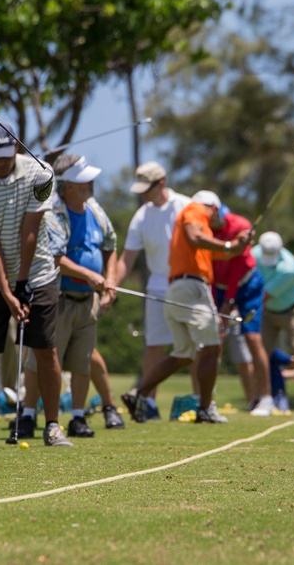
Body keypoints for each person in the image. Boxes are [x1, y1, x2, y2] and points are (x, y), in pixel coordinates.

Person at [0, 124, 70, 447]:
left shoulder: (40, 173)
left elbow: (31, 231)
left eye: (6, 157)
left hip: (37, 272)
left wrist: (22, 283)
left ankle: (52, 426)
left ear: (17, 149)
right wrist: (8, 292)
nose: (1, 164)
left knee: (46, 349)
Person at [121, 190, 250, 424]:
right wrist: (231, 245)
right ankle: (205, 408)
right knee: (212, 347)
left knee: (183, 355)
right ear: (212, 206)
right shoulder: (195, 209)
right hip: (192, 289)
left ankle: (138, 393)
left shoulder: (196, 224)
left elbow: (211, 251)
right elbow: (194, 236)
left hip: (178, 289)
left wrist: (237, 247)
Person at [34, 153, 121, 437]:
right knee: (51, 361)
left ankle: (78, 417)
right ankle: (41, 417)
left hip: (88, 301)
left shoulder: (94, 208)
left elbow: (110, 244)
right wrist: (91, 276)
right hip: (60, 299)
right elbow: (57, 257)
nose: (91, 184)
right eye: (84, 180)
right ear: (68, 185)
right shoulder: (55, 212)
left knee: (82, 361)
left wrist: (109, 280)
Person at [111, 161, 191, 419]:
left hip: (188, 284)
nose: (144, 194)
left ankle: (203, 403)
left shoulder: (185, 206)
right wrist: (112, 285)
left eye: (148, 188)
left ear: (162, 183)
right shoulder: (142, 216)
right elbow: (127, 259)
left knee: (198, 346)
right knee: (154, 346)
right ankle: (149, 404)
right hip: (157, 287)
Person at [210, 204, 275, 417]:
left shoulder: (241, 225)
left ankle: (266, 398)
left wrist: (228, 301)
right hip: (218, 288)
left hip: (247, 285)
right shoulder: (201, 228)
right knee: (213, 340)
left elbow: (237, 266)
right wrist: (215, 303)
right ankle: (206, 400)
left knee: (253, 339)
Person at [251, 231, 294, 413]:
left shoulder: (289, 269)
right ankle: (259, 399)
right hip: (268, 312)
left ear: (281, 249)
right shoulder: (254, 254)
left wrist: (239, 309)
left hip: (293, 311)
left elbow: (262, 297)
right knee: (260, 353)